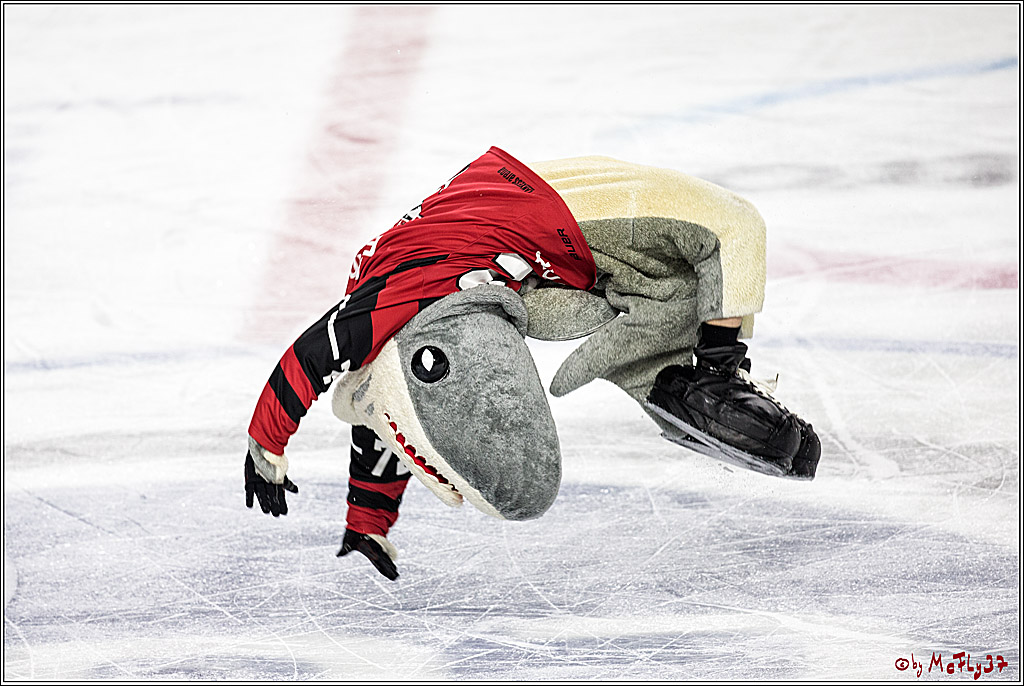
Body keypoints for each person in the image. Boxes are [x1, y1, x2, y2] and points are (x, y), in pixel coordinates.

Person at [244, 146, 820, 580]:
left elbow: (316, 352)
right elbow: (393, 415)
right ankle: (677, 381)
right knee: (697, 267)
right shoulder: (404, 305)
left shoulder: (403, 291)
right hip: (539, 249)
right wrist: (367, 519)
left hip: (545, 209)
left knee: (733, 224)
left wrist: (266, 444)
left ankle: (699, 374)